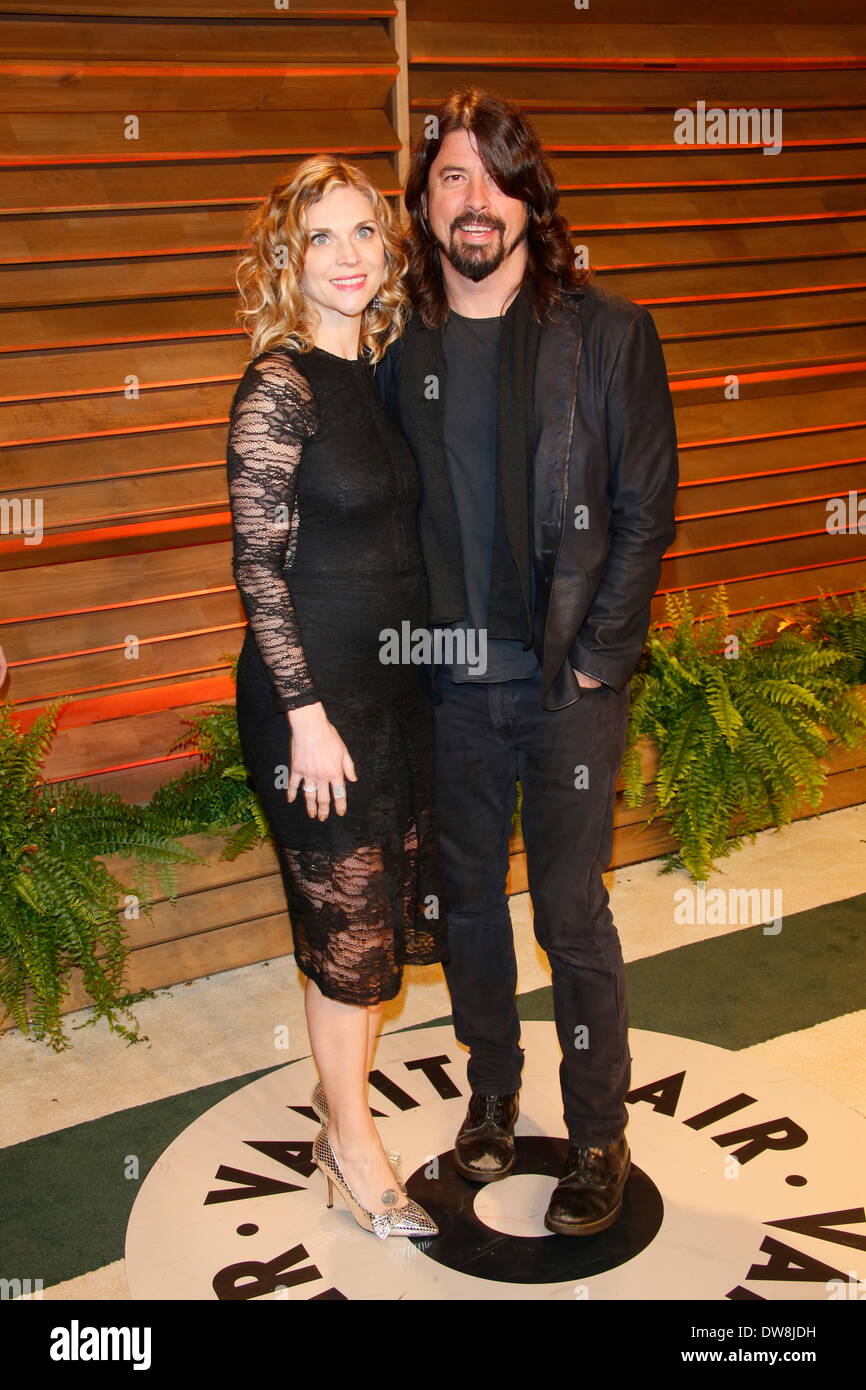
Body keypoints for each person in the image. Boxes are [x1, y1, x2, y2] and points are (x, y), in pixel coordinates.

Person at [376, 89, 679, 1236]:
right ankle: (492, 1095)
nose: (474, 200)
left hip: (563, 689)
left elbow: (644, 509)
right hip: (449, 682)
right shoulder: (404, 354)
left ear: (528, 199)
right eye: (451, 177)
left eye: (496, 178)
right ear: (424, 204)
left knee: (569, 911)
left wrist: (599, 661)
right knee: (465, 909)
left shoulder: (605, 334)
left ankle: (596, 1131)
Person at [228, 155, 447, 1239]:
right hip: (312, 707)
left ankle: (342, 1114)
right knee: (353, 941)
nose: (349, 254)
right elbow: (258, 566)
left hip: (394, 697)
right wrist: (305, 716)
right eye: (323, 236)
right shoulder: (281, 383)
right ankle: (352, 1140)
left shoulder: (389, 374)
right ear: (289, 258)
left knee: (362, 935)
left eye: (364, 231)